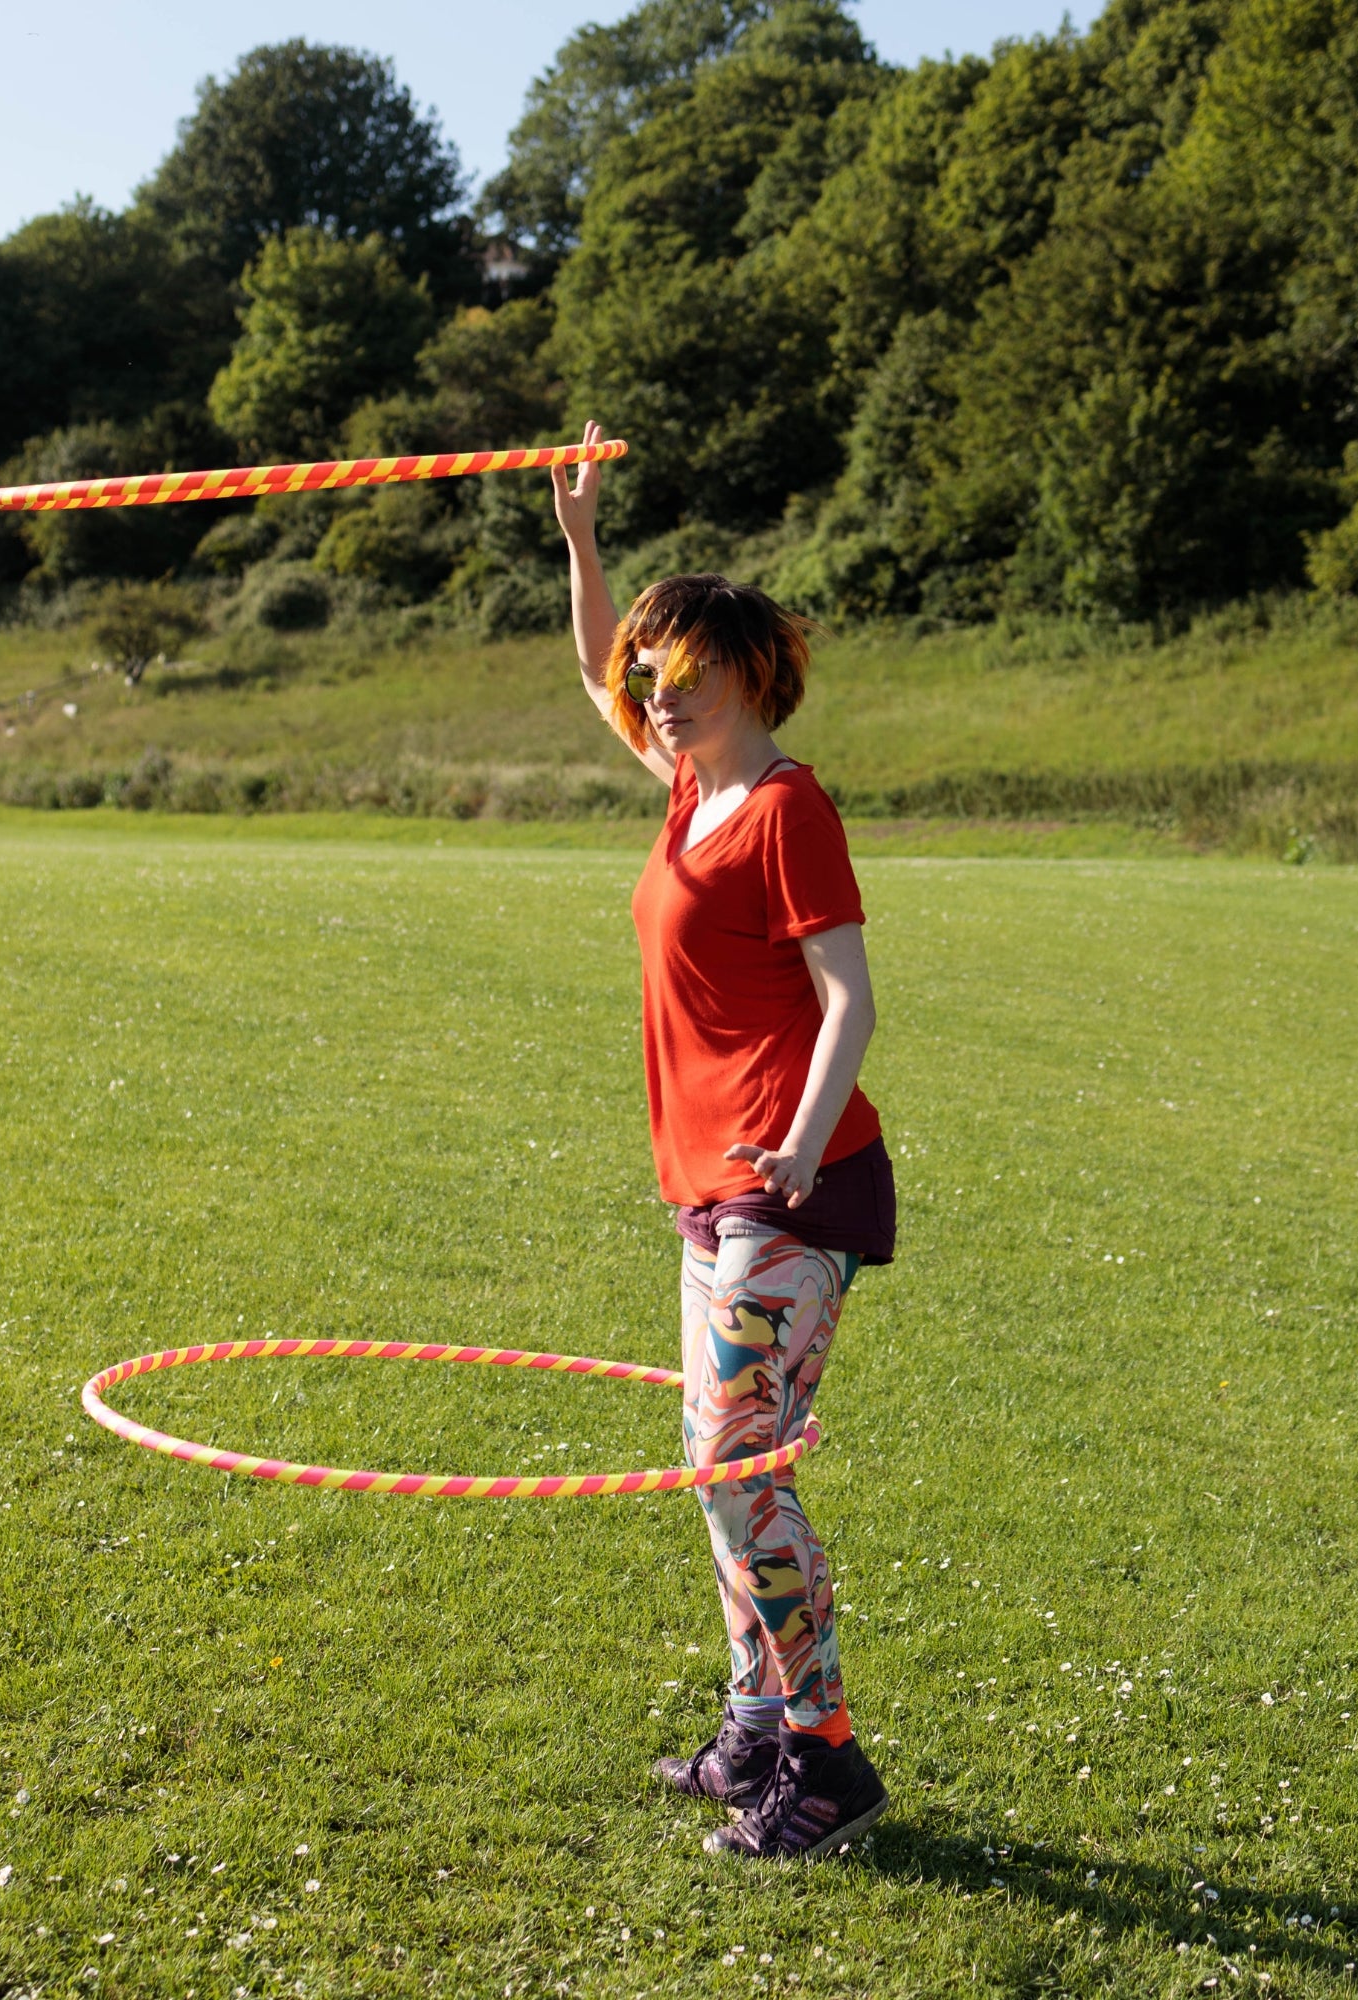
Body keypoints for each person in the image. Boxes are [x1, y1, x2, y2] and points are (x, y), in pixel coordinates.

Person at [552, 420, 897, 1862]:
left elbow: (849, 996)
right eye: (653, 676)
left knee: (742, 1468)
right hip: (711, 1189)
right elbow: (595, 672)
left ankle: (828, 1761)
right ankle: (757, 1728)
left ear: (749, 673)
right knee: (720, 1468)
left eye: (682, 674)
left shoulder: (785, 808)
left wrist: (801, 1151)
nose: (655, 694)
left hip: (792, 1189)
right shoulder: (692, 786)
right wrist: (583, 541)